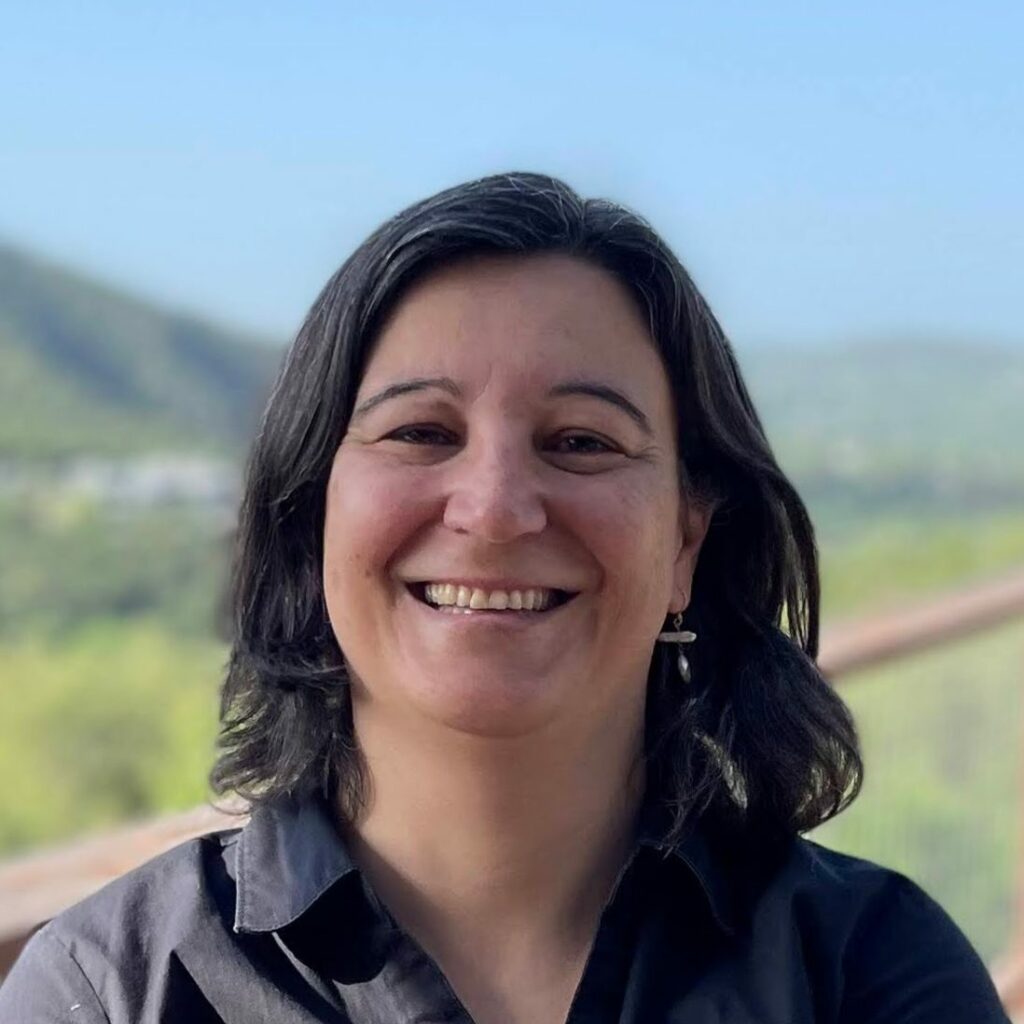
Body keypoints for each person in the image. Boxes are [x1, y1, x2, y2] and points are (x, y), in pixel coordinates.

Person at [0, 172, 1010, 1023]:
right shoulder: (114, 988)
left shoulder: (866, 972)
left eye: (581, 441)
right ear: (313, 519)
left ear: (685, 544)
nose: (492, 509)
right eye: (420, 433)